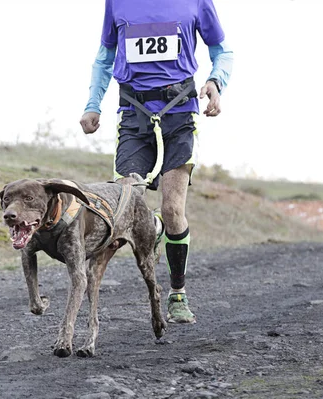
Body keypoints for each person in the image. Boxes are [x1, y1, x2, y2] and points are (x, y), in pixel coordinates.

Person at [80, 0, 233, 324]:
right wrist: (92, 104)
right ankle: (90, 301)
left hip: (179, 114)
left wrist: (216, 81)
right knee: (124, 205)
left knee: (173, 208)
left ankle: (178, 293)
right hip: (134, 117)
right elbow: (105, 57)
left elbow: (222, 50)